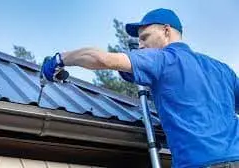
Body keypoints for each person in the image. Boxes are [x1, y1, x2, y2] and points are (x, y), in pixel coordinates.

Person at [42, 8, 239, 168]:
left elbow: (103, 59)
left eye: (145, 37)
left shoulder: (163, 59)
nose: (141, 45)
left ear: (166, 31)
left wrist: (61, 59)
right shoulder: (222, 69)